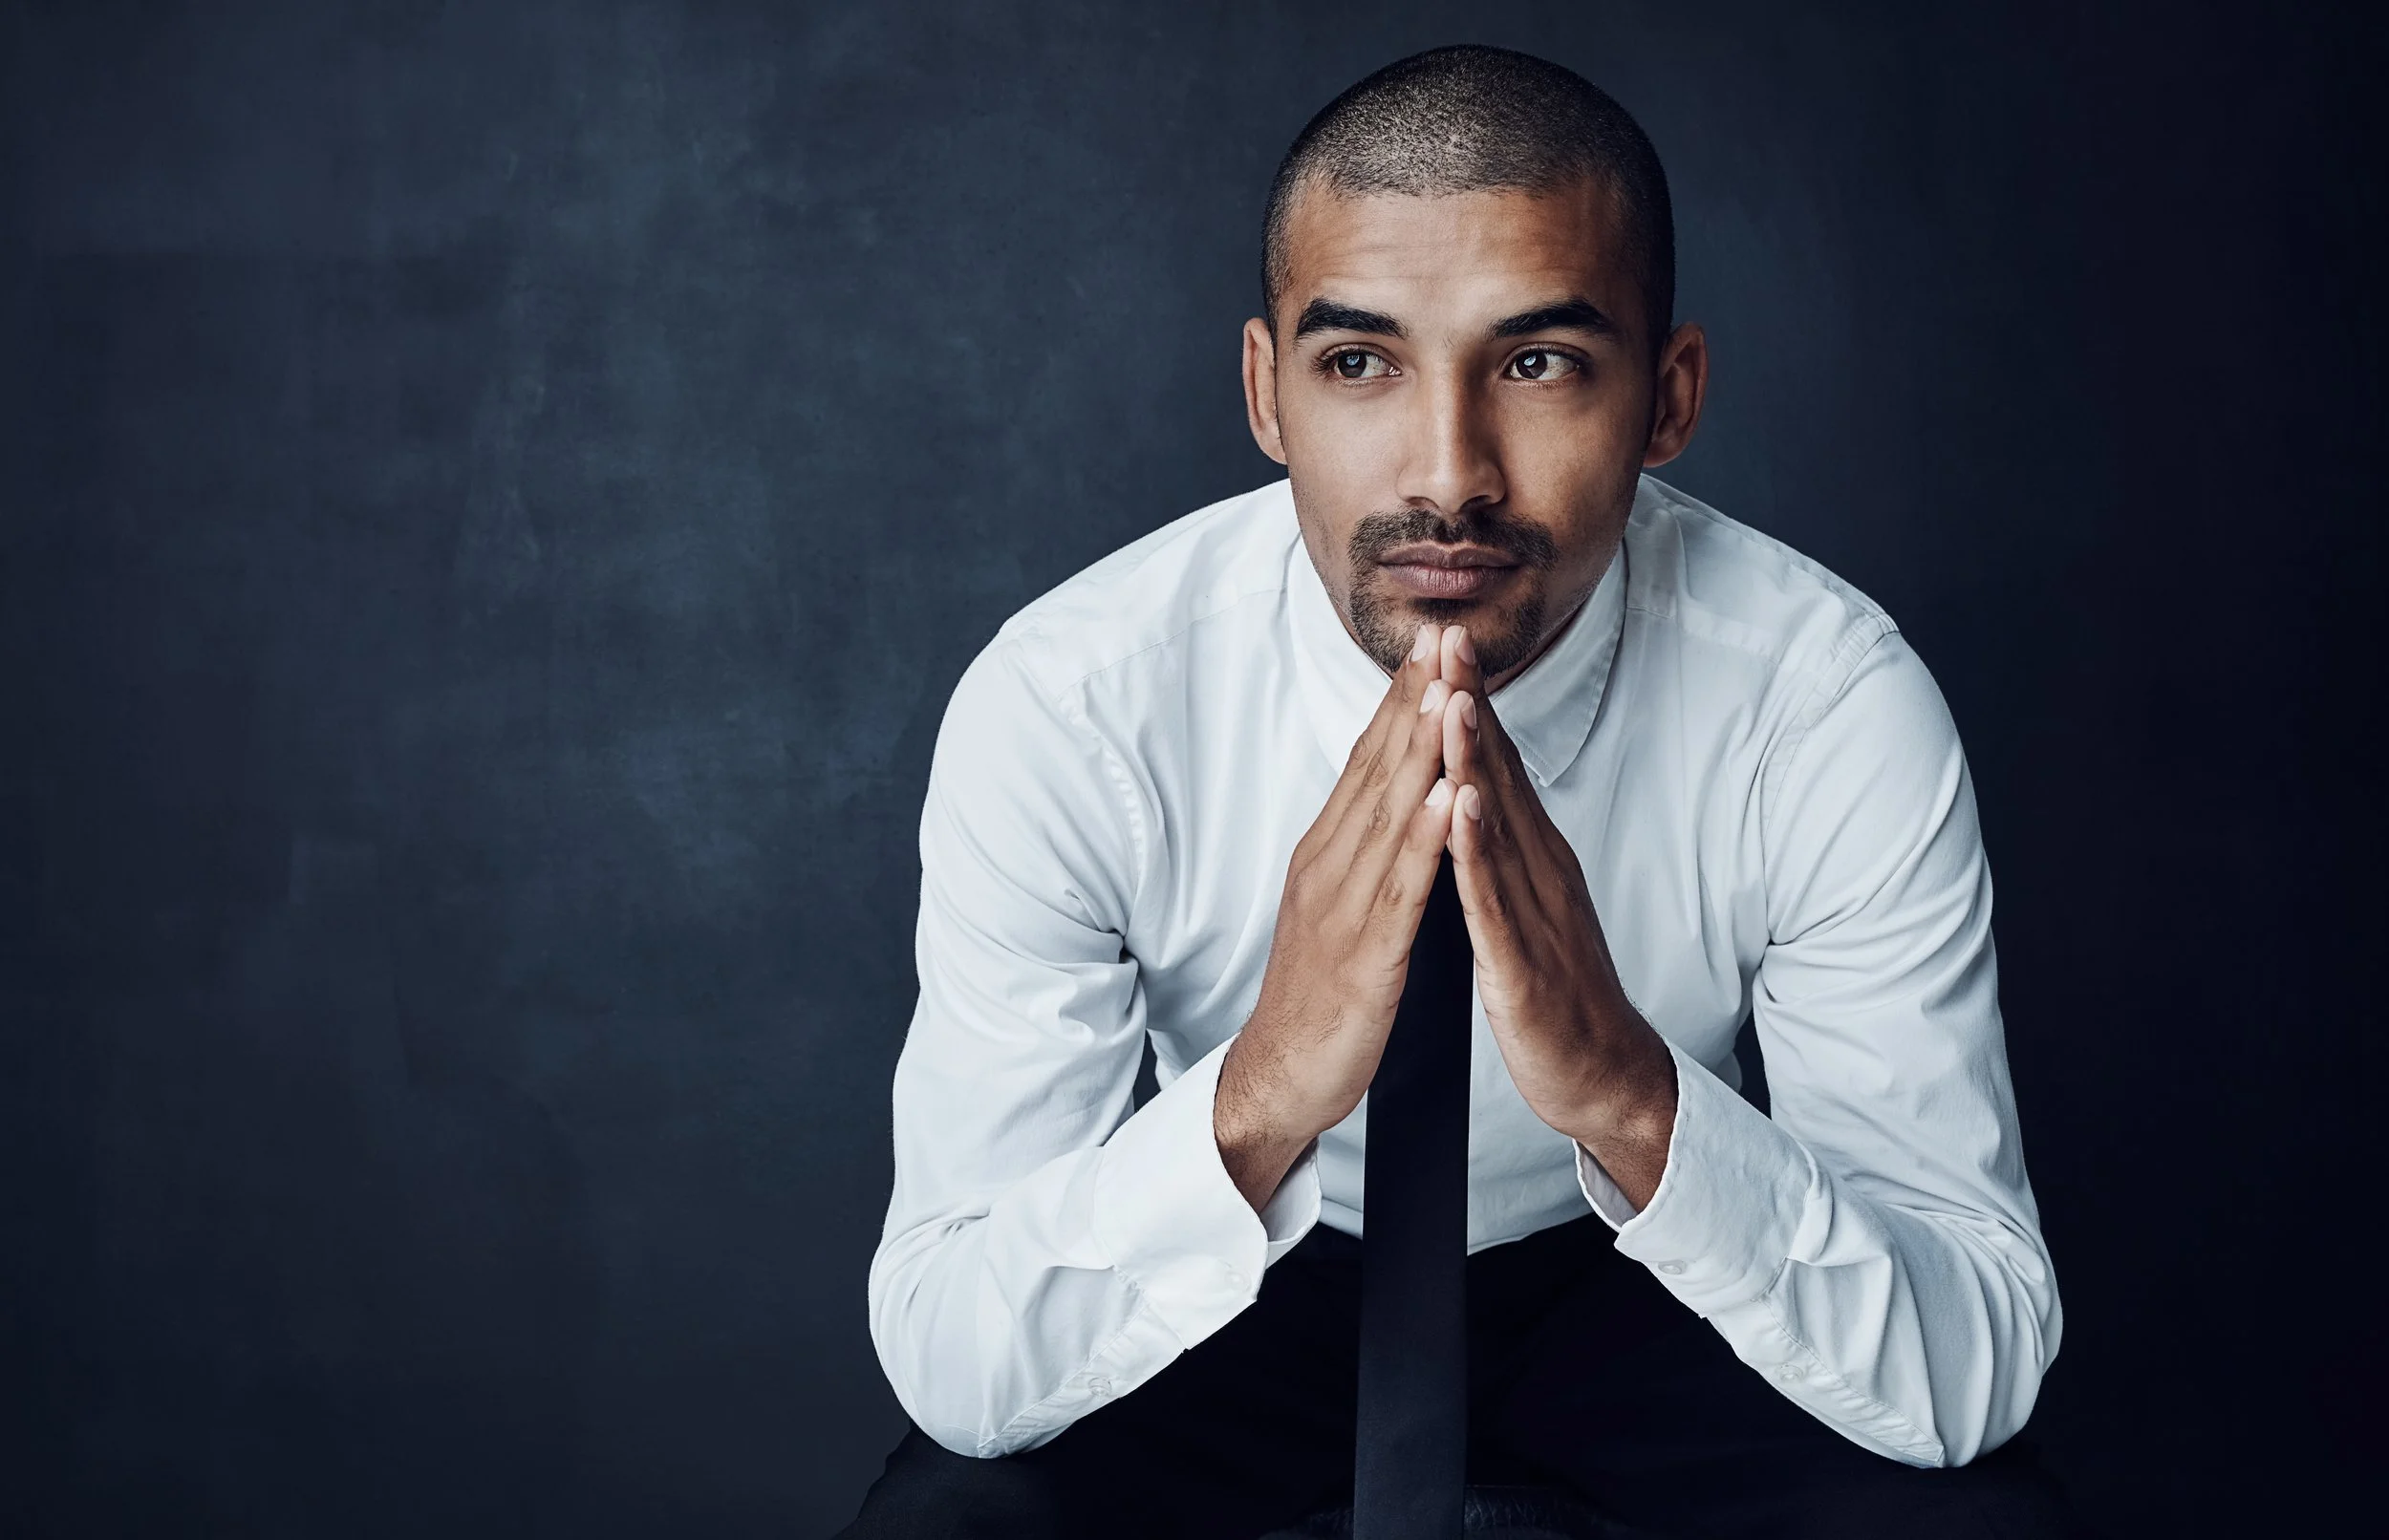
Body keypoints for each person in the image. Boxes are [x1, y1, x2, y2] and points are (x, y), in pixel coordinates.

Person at [838, 43, 2065, 1539]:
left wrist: (1626, 1088)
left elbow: (1978, 1359)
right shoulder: (1076, 705)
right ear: (1267, 394)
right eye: (1360, 362)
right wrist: (1267, 1081)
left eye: (1539, 362)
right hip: (1248, 1263)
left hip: (1642, 1265)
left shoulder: (1823, 706)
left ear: (1668, 398)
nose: (1450, 474)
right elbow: (954, 1356)